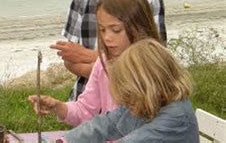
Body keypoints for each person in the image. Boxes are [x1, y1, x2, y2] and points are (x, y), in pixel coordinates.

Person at [28, 0, 161, 127]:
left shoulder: (154, 68)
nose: (107, 37)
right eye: (102, 30)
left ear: (140, 27)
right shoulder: (103, 63)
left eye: (116, 30)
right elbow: (85, 109)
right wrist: (58, 107)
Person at [63, 38, 199, 142]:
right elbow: (107, 123)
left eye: (130, 97)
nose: (128, 105)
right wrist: (67, 141)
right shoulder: (148, 103)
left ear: (146, 88)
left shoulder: (176, 118)